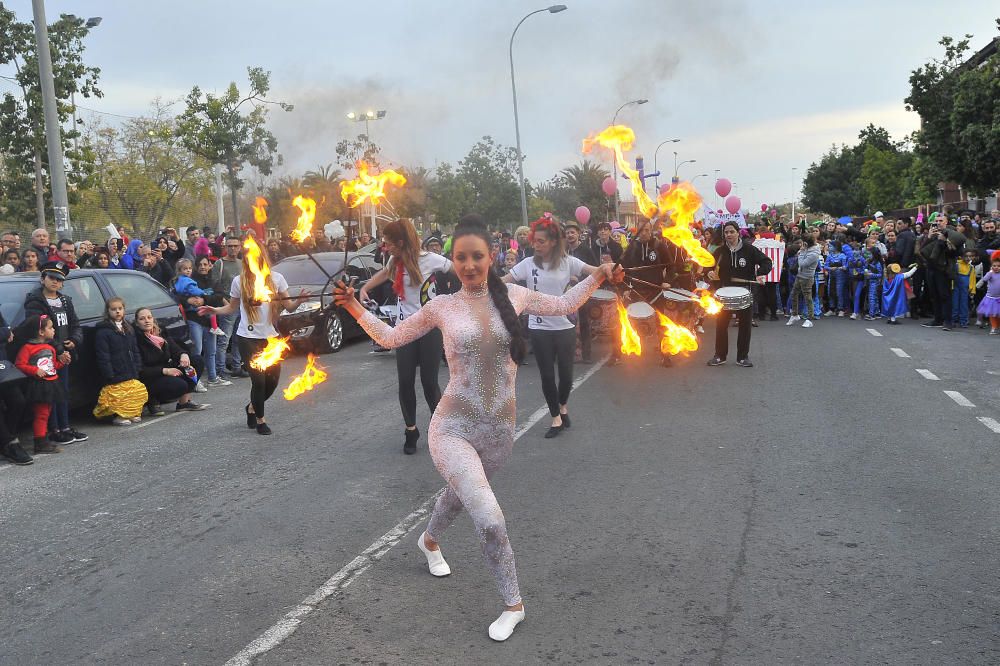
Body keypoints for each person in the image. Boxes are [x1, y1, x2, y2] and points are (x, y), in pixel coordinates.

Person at [333, 214, 621, 641]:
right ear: (452, 260)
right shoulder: (441, 308)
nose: (468, 265)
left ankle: (429, 541)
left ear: (491, 258)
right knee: (488, 518)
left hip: (500, 434)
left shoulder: (517, 296)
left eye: (477, 257)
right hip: (451, 427)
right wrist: (354, 306)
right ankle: (514, 604)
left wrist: (598, 274)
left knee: (458, 495)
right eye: (460, 258)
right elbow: (392, 338)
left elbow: (563, 305)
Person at [358, 219, 453, 454]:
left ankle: (441, 429)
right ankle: (411, 430)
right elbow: (384, 273)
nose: (385, 246)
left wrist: (454, 300)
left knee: (429, 382)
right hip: (404, 329)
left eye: (388, 242)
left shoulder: (431, 259)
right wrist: (364, 288)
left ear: (400, 242)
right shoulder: (394, 260)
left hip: (429, 327)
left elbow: (456, 272)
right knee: (405, 381)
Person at [504, 217, 604, 437]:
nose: (536, 245)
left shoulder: (568, 262)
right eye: (534, 241)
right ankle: (555, 418)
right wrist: (484, 284)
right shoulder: (528, 263)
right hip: (539, 328)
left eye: (541, 241)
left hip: (565, 326)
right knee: (547, 376)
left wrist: (608, 268)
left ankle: (563, 405)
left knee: (566, 375)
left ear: (552, 242)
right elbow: (506, 279)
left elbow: (594, 270)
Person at [198, 238, 306, 435]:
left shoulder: (277, 279)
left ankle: (251, 407)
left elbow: (288, 306)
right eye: (248, 259)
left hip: (271, 338)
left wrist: (298, 301)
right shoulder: (239, 281)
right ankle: (261, 420)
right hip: (247, 338)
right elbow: (231, 307)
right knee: (259, 381)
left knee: (272, 383)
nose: (251, 262)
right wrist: (214, 310)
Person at [22, 261, 87, 445]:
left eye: (59, 279)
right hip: (45, 356)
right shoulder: (35, 301)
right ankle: (54, 430)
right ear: (42, 279)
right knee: (50, 393)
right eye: (51, 277)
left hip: (63, 355)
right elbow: (39, 330)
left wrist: (74, 340)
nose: (55, 282)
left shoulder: (65, 300)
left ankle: (65, 427)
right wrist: (58, 350)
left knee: (63, 391)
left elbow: (75, 324)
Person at [706, 221, 772, 367]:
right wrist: (709, 272)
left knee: (745, 325)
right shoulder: (720, 252)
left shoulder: (749, 250)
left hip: (745, 292)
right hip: (724, 294)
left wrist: (760, 274)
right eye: (726, 232)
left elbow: (767, 261)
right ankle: (720, 356)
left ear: (738, 232)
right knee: (721, 325)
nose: (729, 234)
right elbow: (708, 266)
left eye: (731, 232)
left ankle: (742, 357)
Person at [133, 307, 207, 413]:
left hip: (167, 371)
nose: (147, 320)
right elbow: (140, 370)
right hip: (150, 377)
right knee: (180, 385)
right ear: (137, 323)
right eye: (142, 319)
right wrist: (165, 371)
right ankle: (152, 400)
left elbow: (175, 349)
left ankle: (184, 403)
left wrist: (183, 355)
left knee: (197, 360)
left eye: (149, 317)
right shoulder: (136, 339)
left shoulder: (160, 332)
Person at [173, 258, 229, 389]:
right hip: (195, 318)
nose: (203, 267)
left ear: (210, 265)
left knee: (211, 351)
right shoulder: (188, 280)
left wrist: (204, 300)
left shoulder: (213, 280)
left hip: (209, 320)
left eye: (206, 264)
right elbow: (177, 296)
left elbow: (218, 297)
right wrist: (189, 300)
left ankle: (213, 377)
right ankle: (195, 380)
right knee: (196, 350)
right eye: (200, 264)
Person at [13, 314, 66, 454]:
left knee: (46, 413)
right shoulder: (28, 348)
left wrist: (62, 362)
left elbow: (52, 366)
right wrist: (34, 370)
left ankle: (43, 439)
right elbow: (19, 365)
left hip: (51, 384)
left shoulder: (50, 347)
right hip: (38, 386)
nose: (54, 330)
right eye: (50, 327)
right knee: (41, 414)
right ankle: (40, 442)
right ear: (41, 332)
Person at [92, 297, 149, 425]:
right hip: (116, 370)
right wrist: (109, 373)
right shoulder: (103, 332)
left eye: (120, 309)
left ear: (124, 310)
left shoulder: (128, 328)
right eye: (113, 309)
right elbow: (103, 355)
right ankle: (119, 416)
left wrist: (137, 365)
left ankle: (131, 412)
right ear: (108, 311)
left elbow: (135, 349)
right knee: (118, 395)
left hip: (130, 368)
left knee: (131, 392)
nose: (117, 312)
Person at [211, 236, 246, 379]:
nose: (232, 248)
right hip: (227, 306)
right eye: (230, 246)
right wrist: (226, 303)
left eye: (235, 246)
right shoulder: (220, 264)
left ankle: (237, 367)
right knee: (224, 339)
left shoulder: (242, 264)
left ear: (240, 247)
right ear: (225, 247)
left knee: (239, 338)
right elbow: (215, 286)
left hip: (243, 306)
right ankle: (220, 369)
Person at [0, 312, 31, 465]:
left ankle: (6, 440)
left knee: (18, 401)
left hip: (2, 366)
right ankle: (10, 443)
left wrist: (6, 332)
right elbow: (6, 332)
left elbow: (9, 332)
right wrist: (4, 333)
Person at [785, 233, 821, 328]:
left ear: (806, 243)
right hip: (799, 275)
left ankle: (810, 319)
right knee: (793, 294)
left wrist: (800, 253)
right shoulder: (807, 249)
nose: (801, 245)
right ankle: (795, 315)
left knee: (807, 298)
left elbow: (802, 263)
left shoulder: (814, 253)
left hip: (807, 278)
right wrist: (803, 252)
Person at [976, 251, 1000, 335]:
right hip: (991, 298)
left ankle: (997, 326)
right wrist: (978, 285)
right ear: (991, 266)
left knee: (998, 314)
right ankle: (994, 327)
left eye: (998, 266)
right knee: (992, 314)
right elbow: (984, 279)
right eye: (994, 266)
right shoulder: (990, 274)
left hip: (999, 298)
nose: (996, 267)